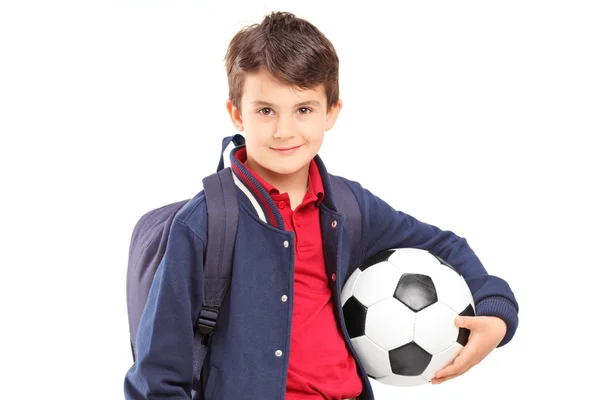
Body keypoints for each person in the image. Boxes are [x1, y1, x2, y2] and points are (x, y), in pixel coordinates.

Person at [123, 11, 519, 400]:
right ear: (235, 113)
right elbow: (158, 378)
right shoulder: (207, 222)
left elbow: (445, 247)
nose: (283, 131)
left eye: (303, 110)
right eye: (265, 110)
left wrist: (496, 314)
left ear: (331, 112)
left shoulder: (348, 207)